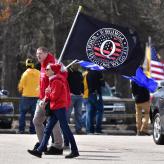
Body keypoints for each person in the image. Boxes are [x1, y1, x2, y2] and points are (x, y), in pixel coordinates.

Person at [28, 63, 79, 158]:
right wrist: (46, 97)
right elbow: (49, 94)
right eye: (46, 69)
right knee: (48, 129)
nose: (45, 71)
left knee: (65, 129)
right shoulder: (52, 80)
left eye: (48, 69)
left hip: (59, 108)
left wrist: (48, 93)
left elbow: (54, 96)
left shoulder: (57, 81)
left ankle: (75, 150)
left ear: (53, 71)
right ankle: (40, 150)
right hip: (55, 107)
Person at [29, 47, 64, 155]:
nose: (38, 56)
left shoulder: (52, 64)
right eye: (37, 53)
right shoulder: (43, 64)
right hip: (42, 99)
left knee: (53, 122)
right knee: (37, 121)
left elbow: (58, 80)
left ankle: (58, 146)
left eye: (40, 53)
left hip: (49, 99)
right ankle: (42, 144)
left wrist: (48, 97)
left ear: (46, 53)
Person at [17, 58, 40, 134]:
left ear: (27, 65)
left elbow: (21, 85)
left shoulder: (25, 74)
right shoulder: (38, 73)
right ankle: (33, 130)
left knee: (22, 113)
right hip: (36, 96)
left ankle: (21, 129)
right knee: (34, 114)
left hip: (26, 96)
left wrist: (20, 90)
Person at [86, 70, 105, 134]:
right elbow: (103, 84)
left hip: (90, 93)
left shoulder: (88, 73)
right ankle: (98, 129)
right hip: (97, 93)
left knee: (90, 112)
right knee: (100, 111)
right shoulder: (98, 72)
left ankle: (90, 130)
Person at [67, 63, 84, 134]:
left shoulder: (80, 73)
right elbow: (65, 83)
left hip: (79, 96)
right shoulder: (68, 73)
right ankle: (64, 128)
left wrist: (82, 92)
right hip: (71, 95)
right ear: (71, 65)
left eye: (77, 65)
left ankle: (78, 129)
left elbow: (82, 83)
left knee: (79, 113)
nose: (76, 66)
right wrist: (69, 92)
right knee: (67, 113)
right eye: (75, 65)